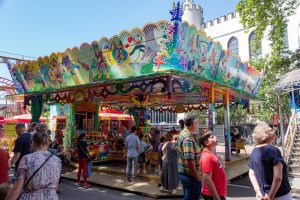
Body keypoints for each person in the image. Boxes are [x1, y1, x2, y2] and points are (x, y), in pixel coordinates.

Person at [5, 127, 61, 200]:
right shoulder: (57, 160)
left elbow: (16, 189)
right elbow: (55, 187)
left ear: (33, 142)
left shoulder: (27, 159)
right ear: (48, 143)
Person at [248, 124, 292, 200]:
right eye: (271, 130)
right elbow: (278, 177)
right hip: (280, 194)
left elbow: (251, 174)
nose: (274, 131)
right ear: (264, 134)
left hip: (263, 194)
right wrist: (271, 196)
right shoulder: (273, 151)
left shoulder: (254, 152)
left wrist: (258, 191)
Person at [177, 115, 202, 200]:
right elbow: (189, 162)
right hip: (190, 176)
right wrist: (197, 178)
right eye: (197, 122)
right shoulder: (187, 138)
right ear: (192, 124)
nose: (198, 124)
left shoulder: (183, 132)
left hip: (184, 173)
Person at [199, 131, 227, 200]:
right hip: (212, 195)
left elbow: (220, 170)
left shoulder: (212, 154)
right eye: (212, 137)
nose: (215, 137)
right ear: (206, 142)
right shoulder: (207, 157)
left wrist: (221, 161)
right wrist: (217, 198)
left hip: (219, 193)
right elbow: (207, 179)